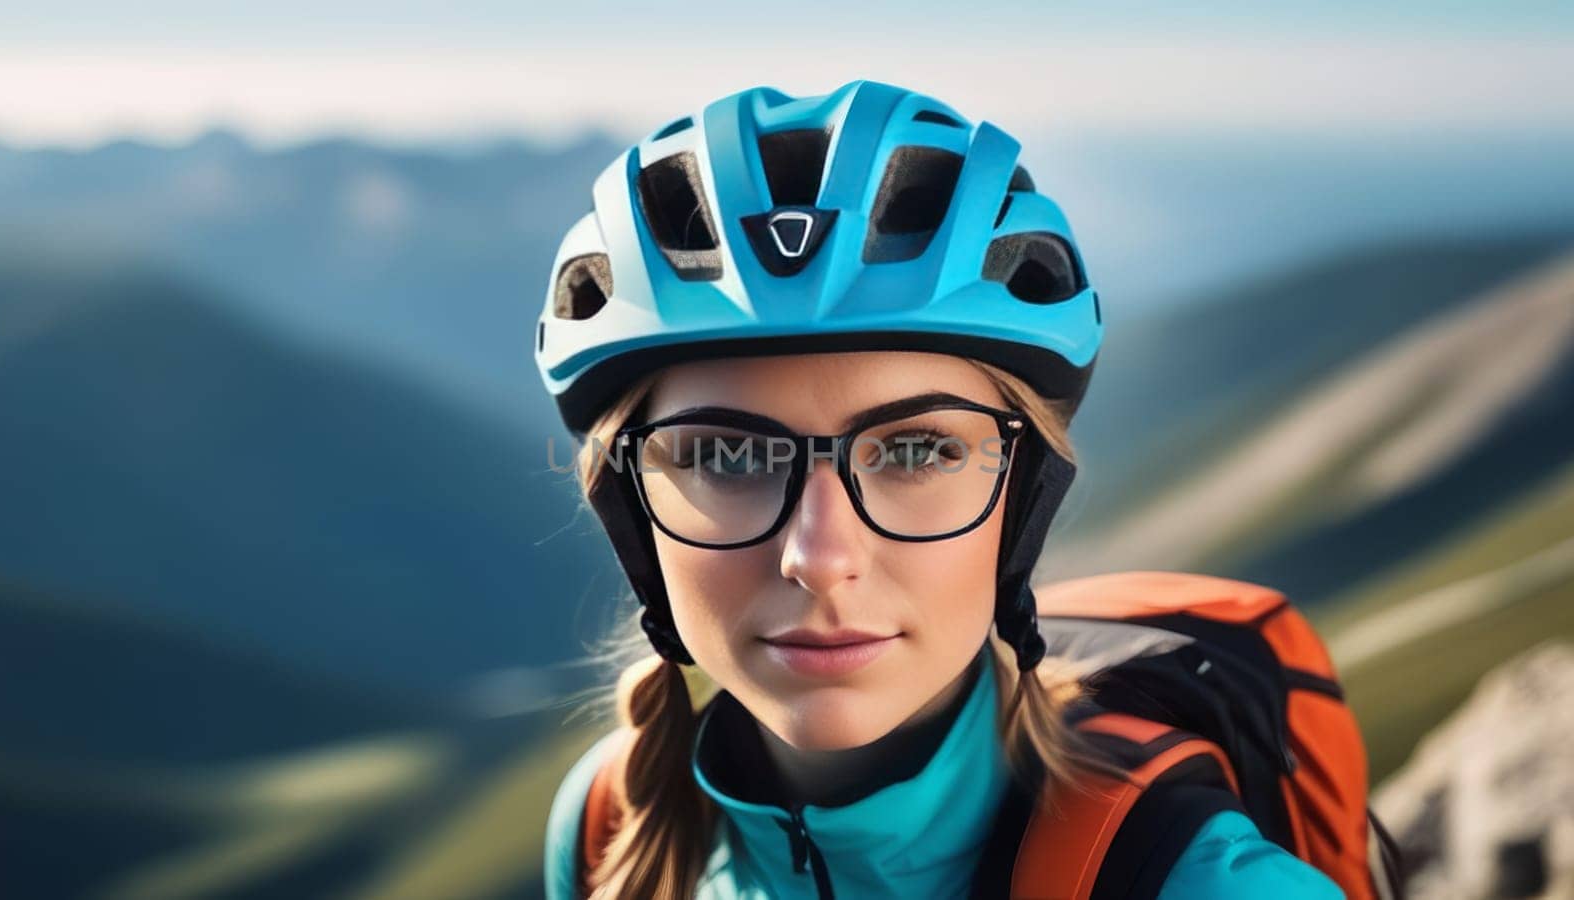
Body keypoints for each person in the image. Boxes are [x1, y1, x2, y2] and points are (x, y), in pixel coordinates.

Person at [534, 79, 1347, 899]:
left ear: (1024, 500)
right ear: (629, 508)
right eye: (727, 457)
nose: (820, 559)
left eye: (917, 450)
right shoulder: (605, 827)